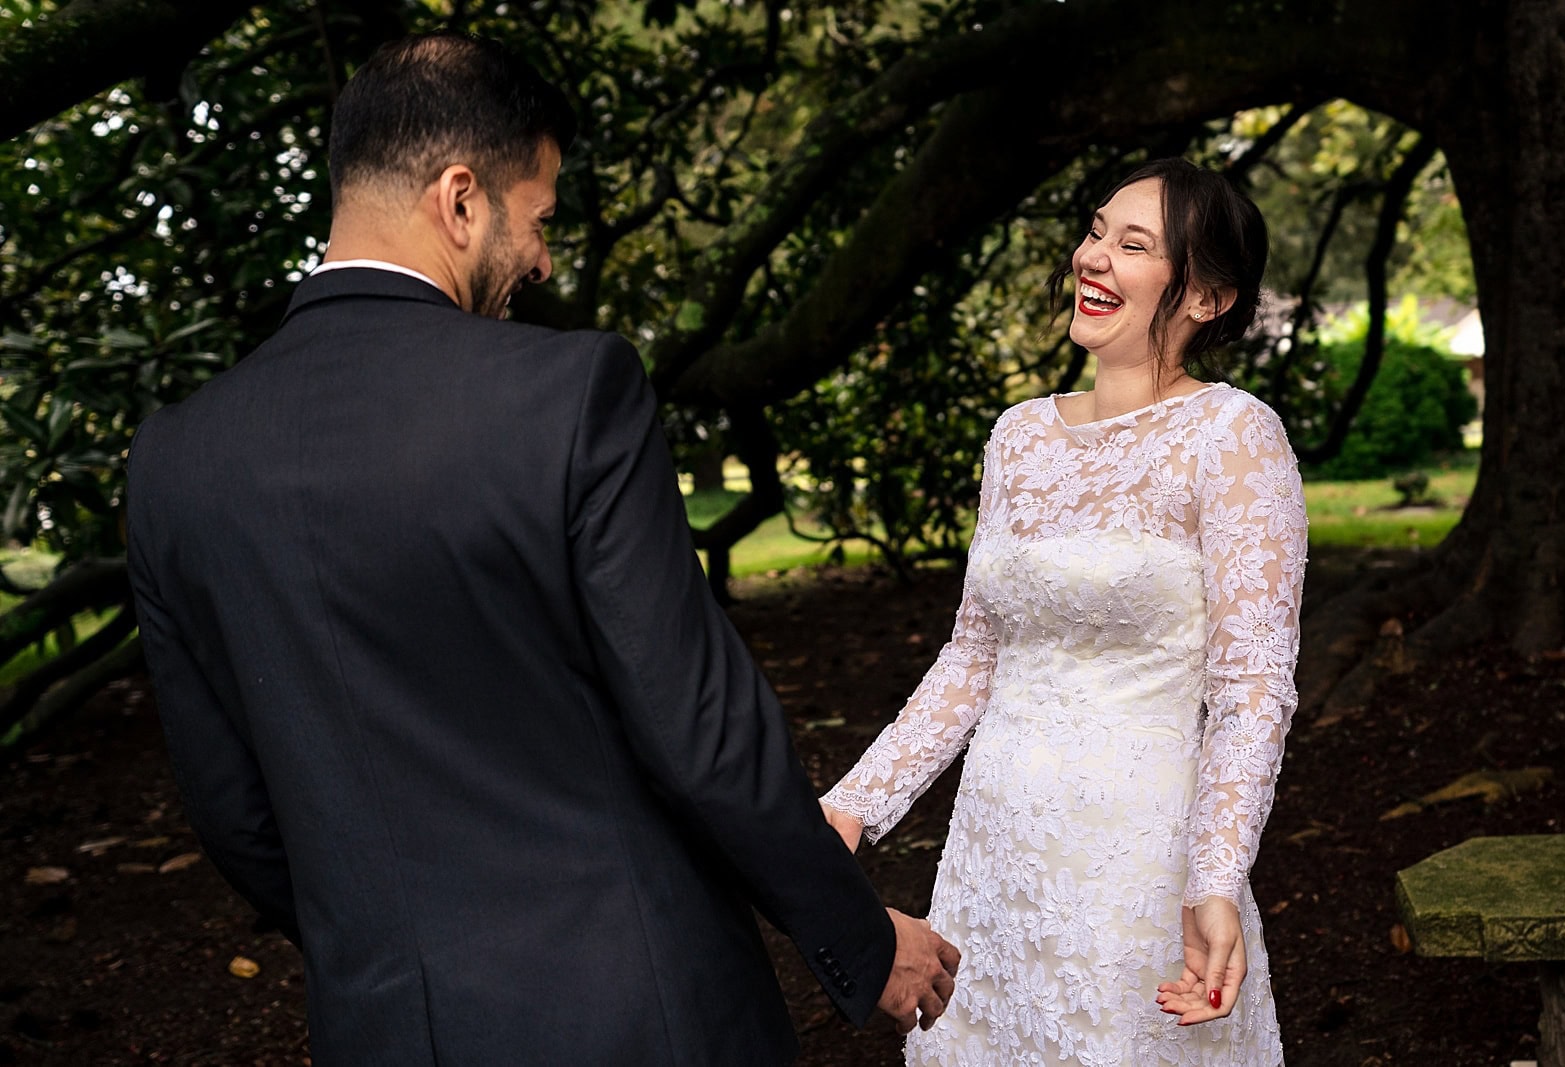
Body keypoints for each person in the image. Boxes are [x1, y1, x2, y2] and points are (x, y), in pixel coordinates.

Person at [125, 31, 958, 1065]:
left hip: (384, 1026)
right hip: (636, 1014)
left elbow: (232, 809)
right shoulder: (569, 394)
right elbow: (701, 732)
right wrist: (859, 935)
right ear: (461, 199)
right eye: (541, 217)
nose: (544, 259)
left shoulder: (174, 461)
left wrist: (395, 948)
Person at [820, 158, 1305, 1065]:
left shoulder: (1235, 435)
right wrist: (852, 804)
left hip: (1135, 864)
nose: (1094, 256)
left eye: (1135, 245)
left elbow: (1252, 688)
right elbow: (973, 658)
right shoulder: (1019, 436)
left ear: (1206, 298)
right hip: (992, 854)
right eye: (1095, 231)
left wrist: (1215, 877)